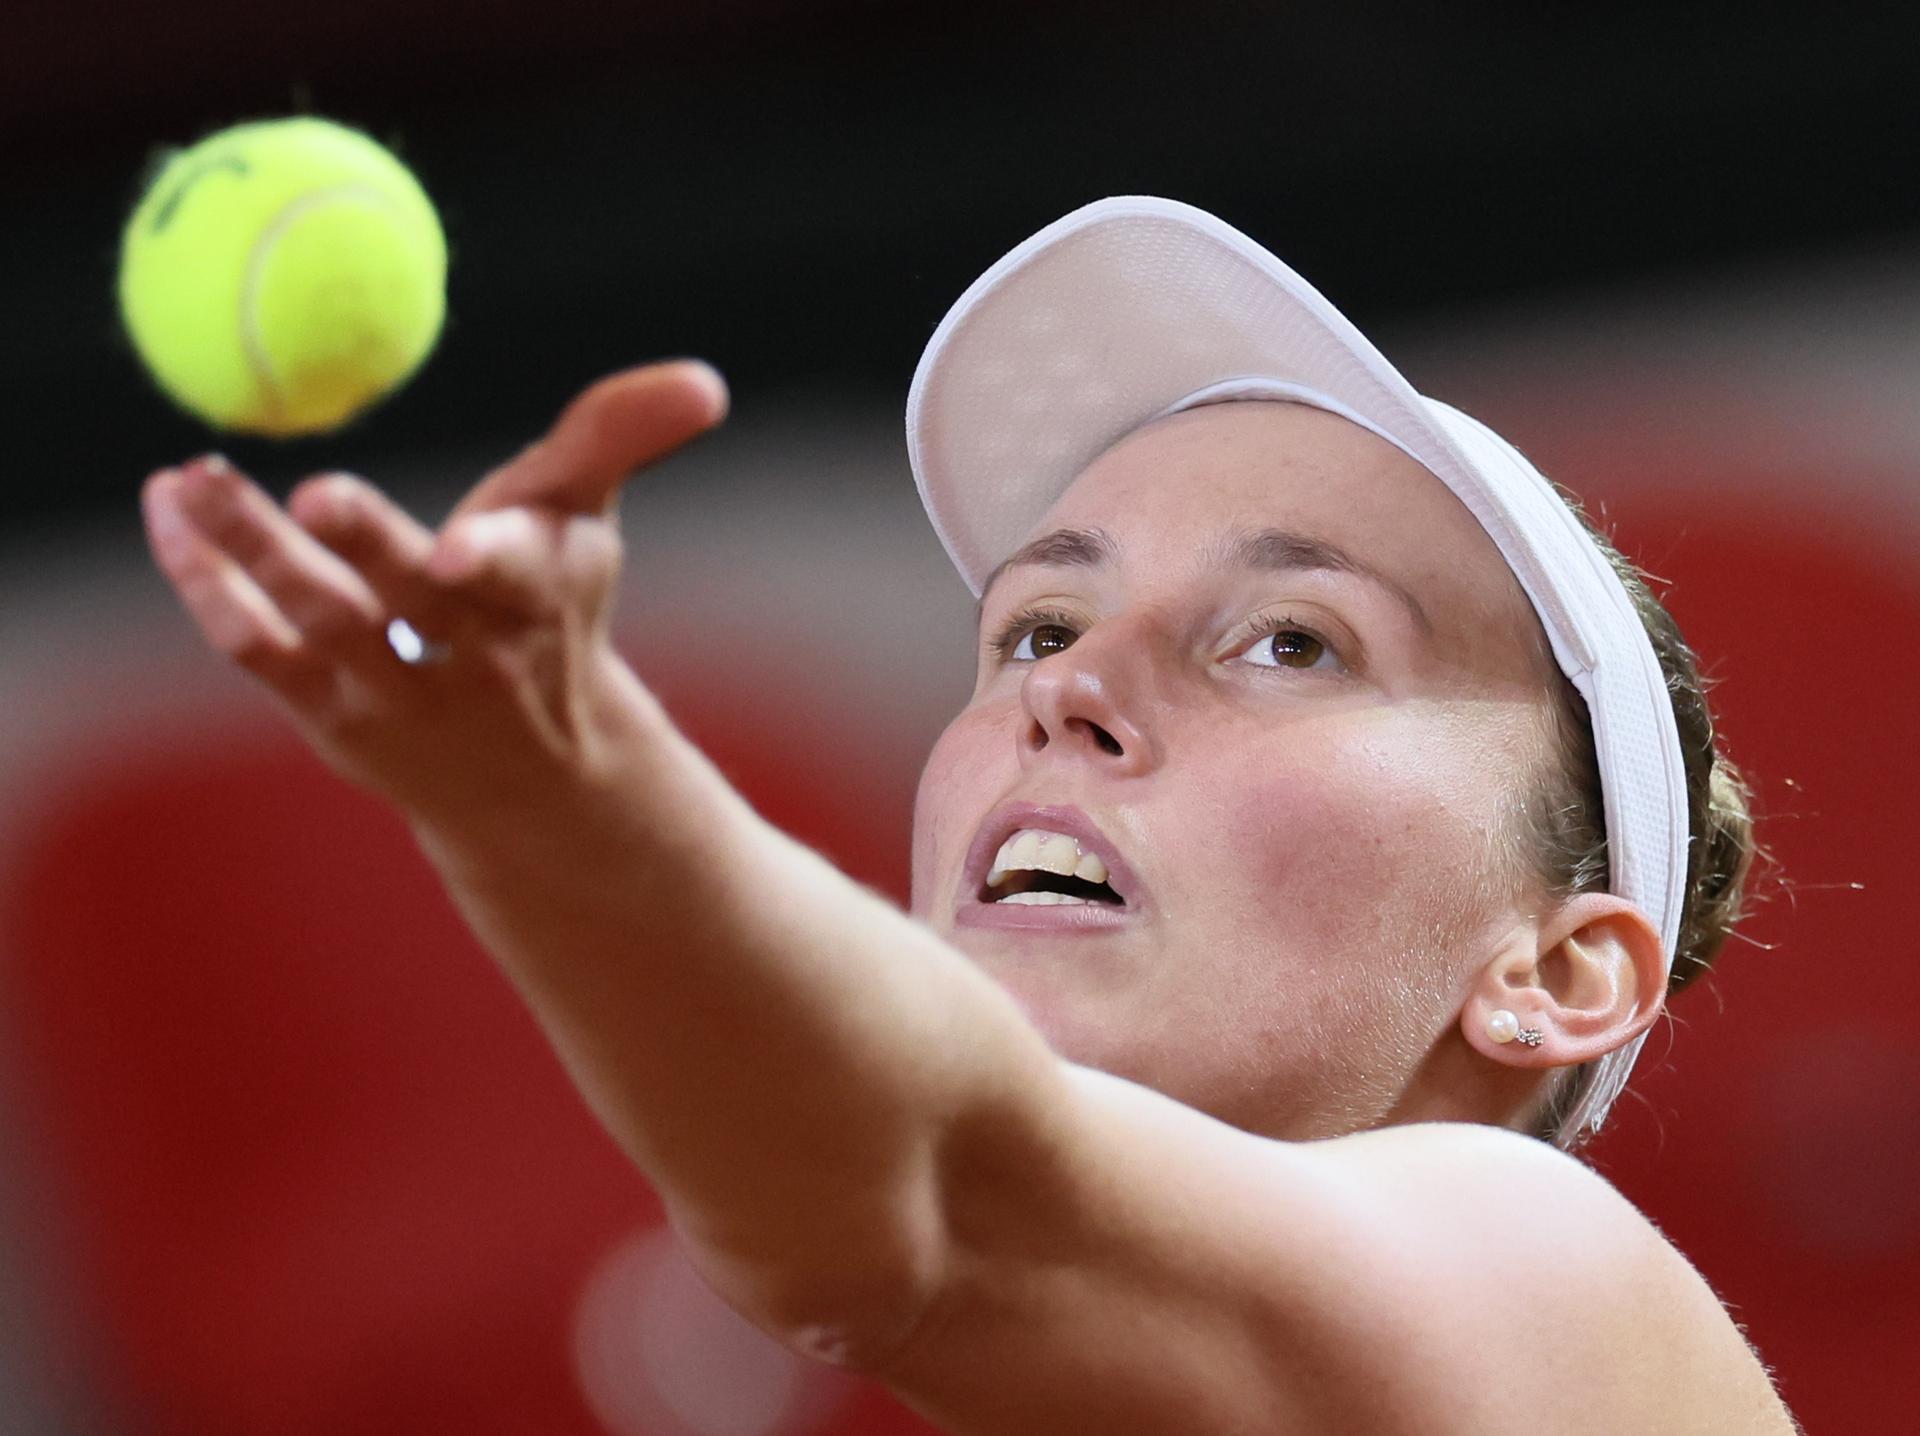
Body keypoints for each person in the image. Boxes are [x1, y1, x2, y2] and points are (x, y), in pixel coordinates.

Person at [141, 198, 1798, 1433]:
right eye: (1036, 629)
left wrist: (554, 788)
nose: (1063, 695)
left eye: (1293, 641)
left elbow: (926, 1195)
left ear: (1561, 974)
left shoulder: (1560, 1297)